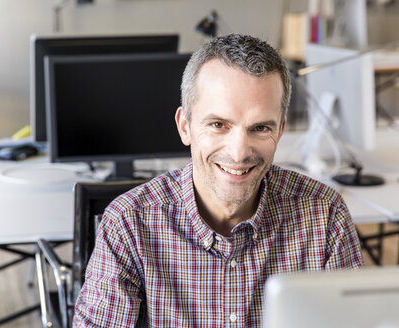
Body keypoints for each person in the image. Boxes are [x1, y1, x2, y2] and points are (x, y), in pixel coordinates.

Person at [73, 33, 363, 327]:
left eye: (260, 128)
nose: (239, 153)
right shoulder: (129, 224)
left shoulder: (325, 214)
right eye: (218, 125)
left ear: (280, 130)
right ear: (185, 126)